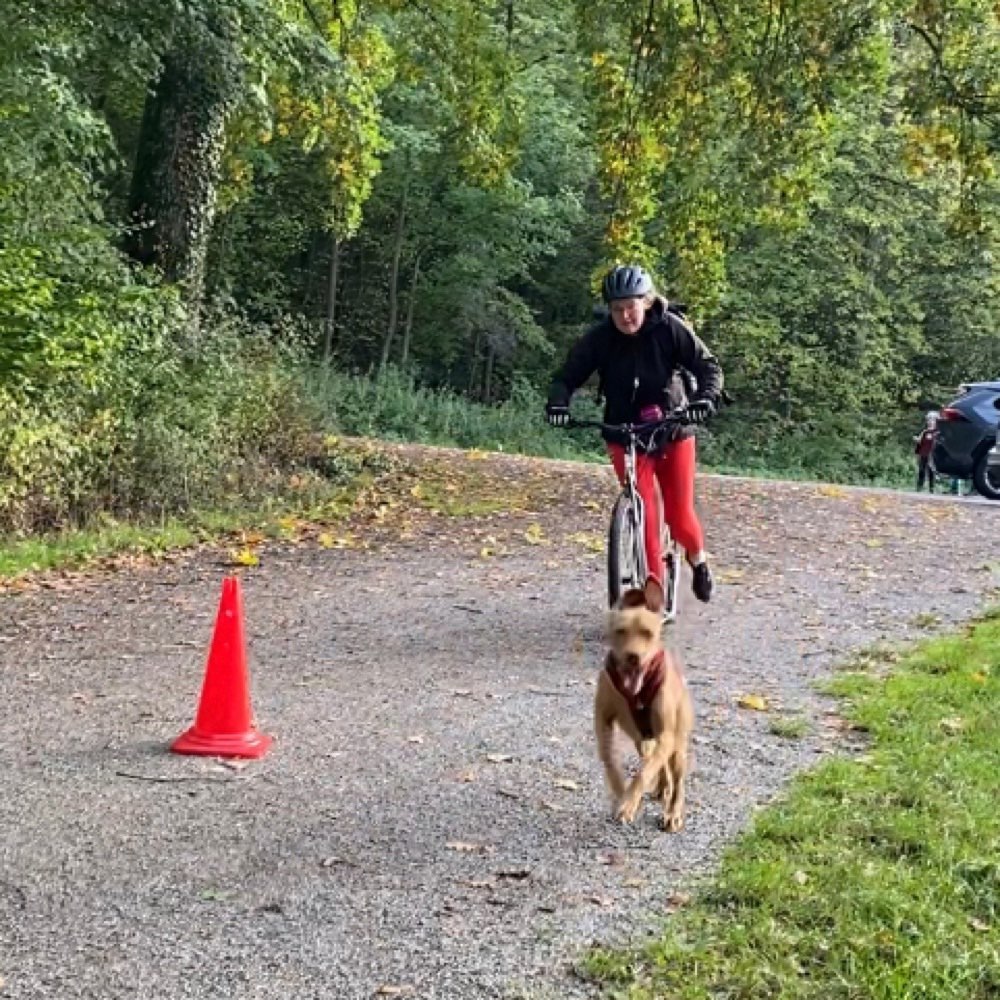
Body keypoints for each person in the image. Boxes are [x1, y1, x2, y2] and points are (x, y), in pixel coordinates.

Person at [545, 264, 724, 609]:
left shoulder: (671, 329)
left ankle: (698, 559)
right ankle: (652, 589)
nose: (626, 315)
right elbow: (565, 377)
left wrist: (704, 399)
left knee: (678, 514)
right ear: (609, 310)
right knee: (642, 505)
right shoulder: (599, 339)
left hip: (672, 427)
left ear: (646, 301)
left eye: (632, 306)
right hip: (623, 431)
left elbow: (708, 367)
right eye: (617, 309)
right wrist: (557, 403)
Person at [913, 411, 938, 492]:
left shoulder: (937, 432)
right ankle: (919, 487)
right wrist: (917, 440)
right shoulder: (925, 431)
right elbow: (920, 441)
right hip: (923, 454)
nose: (930, 422)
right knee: (921, 470)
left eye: (932, 420)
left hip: (931, 454)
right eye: (929, 420)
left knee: (931, 471)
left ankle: (932, 488)